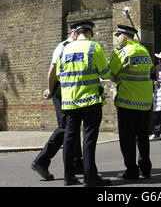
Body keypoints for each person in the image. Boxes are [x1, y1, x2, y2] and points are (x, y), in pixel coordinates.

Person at [56, 20, 111, 186]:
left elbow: (59, 75)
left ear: (76, 32)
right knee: (88, 139)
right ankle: (90, 177)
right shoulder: (94, 47)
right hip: (90, 100)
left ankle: (68, 177)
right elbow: (106, 73)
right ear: (90, 32)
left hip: (69, 102)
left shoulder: (64, 49)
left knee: (69, 138)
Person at [31, 24, 83, 181]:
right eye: (81, 34)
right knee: (66, 127)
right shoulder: (63, 46)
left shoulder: (73, 46)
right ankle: (41, 161)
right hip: (62, 90)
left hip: (69, 89)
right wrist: (50, 88)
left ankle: (76, 163)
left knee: (72, 125)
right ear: (74, 33)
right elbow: (52, 70)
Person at [110, 24, 153, 180]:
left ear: (123, 36)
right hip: (145, 101)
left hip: (127, 101)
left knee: (127, 138)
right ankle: (146, 168)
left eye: (118, 36)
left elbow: (112, 74)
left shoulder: (120, 51)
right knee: (142, 136)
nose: (117, 40)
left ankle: (132, 170)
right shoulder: (144, 50)